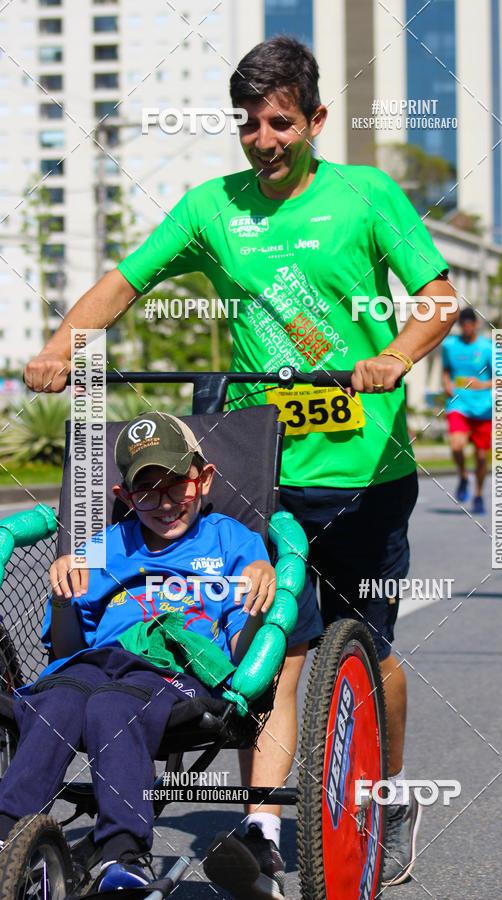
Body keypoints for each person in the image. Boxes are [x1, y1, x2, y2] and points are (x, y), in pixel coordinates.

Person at [23, 37, 458, 892]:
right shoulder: (211, 209)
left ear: (316, 120)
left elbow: (439, 300)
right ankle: (263, 819)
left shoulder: (365, 197)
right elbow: (123, 283)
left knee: (368, 647)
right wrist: (58, 346)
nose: (264, 140)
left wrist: (395, 357)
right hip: (267, 462)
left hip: (366, 471)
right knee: (282, 637)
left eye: (281, 123)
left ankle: (388, 794)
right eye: (250, 124)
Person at [0, 412, 276, 892]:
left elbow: (235, 652)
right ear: (125, 497)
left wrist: (257, 597)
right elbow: (66, 651)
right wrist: (62, 601)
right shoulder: (107, 546)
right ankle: (5, 837)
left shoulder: (231, 540)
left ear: (204, 478)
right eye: (147, 490)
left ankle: (123, 857)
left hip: (171, 668)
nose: (166, 503)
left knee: (112, 705)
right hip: (93, 663)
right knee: (55, 701)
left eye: (178, 484)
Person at [442, 307, 493, 514]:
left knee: (481, 457)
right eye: (463, 324)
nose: (466, 327)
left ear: (476, 324)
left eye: (470, 323)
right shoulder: (450, 345)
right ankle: (463, 475)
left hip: (483, 408)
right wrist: (446, 382)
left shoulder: (487, 347)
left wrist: (483, 384)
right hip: (458, 403)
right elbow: (446, 369)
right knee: (456, 445)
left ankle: (478, 494)